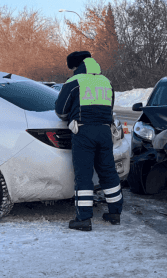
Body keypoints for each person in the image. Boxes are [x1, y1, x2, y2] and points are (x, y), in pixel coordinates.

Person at [55, 51, 123, 231]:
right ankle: (115, 213)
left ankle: (83, 219)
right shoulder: (106, 82)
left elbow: (60, 110)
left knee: (84, 175)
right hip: (104, 131)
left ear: (76, 66)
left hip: (83, 131)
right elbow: (109, 107)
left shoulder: (74, 83)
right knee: (108, 171)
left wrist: (72, 116)